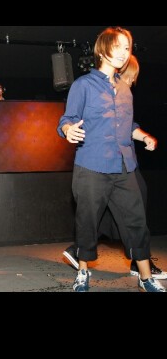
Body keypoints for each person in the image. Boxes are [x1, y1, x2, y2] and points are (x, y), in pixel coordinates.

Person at [57, 27, 165, 292]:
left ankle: (145, 277)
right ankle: (83, 272)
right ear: (103, 49)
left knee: (137, 222)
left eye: (127, 48)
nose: (124, 53)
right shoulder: (83, 85)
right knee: (88, 221)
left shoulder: (126, 88)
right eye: (118, 46)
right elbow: (67, 119)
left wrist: (144, 137)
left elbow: (129, 126)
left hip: (124, 166)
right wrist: (68, 130)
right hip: (92, 165)